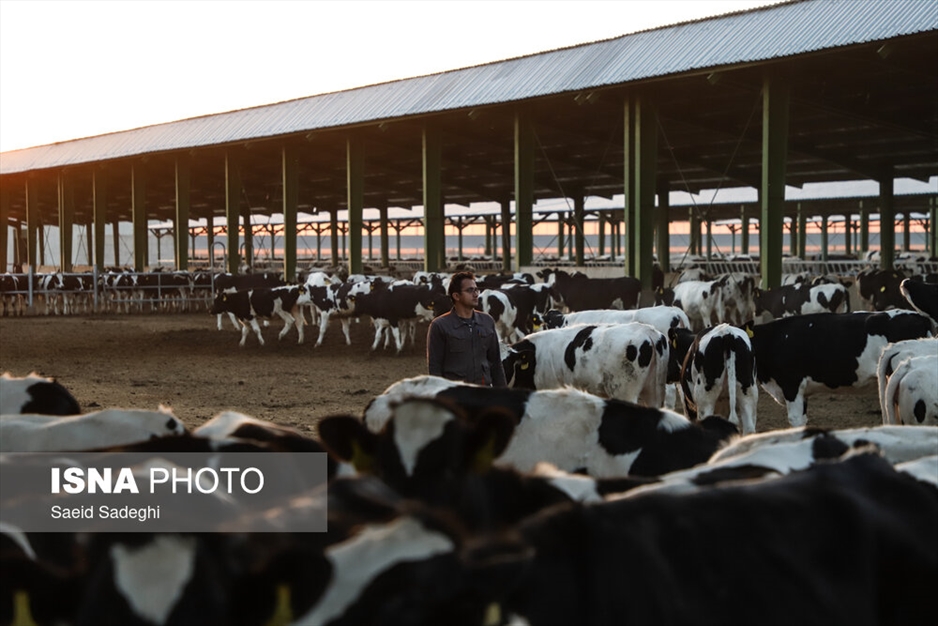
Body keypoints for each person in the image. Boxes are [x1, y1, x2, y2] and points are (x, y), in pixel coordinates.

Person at [426, 271, 507, 387]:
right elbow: (435, 369)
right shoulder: (440, 326)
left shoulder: (487, 321)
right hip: (456, 397)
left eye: (476, 290)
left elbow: (496, 364)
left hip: (483, 393)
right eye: (470, 290)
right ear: (456, 296)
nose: (475, 294)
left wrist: (504, 395)